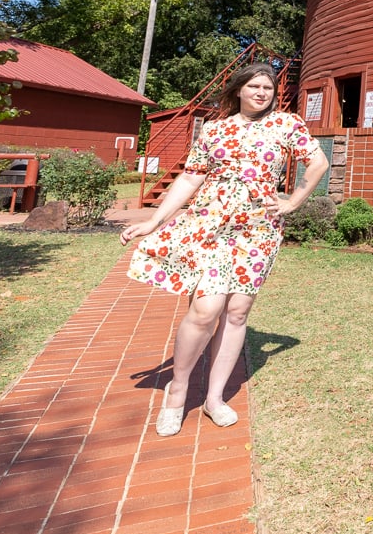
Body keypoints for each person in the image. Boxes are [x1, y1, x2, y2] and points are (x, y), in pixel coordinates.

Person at [120, 62, 329, 436]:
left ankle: (215, 398)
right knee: (206, 308)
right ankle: (178, 390)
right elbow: (191, 176)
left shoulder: (287, 124)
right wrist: (155, 221)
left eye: (267, 88)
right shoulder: (215, 129)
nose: (262, 93)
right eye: (254, 87)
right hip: (211, 223)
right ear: (238, 90)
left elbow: (318, 163)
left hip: (258, 228)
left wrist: (293, 202)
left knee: (237, 311)